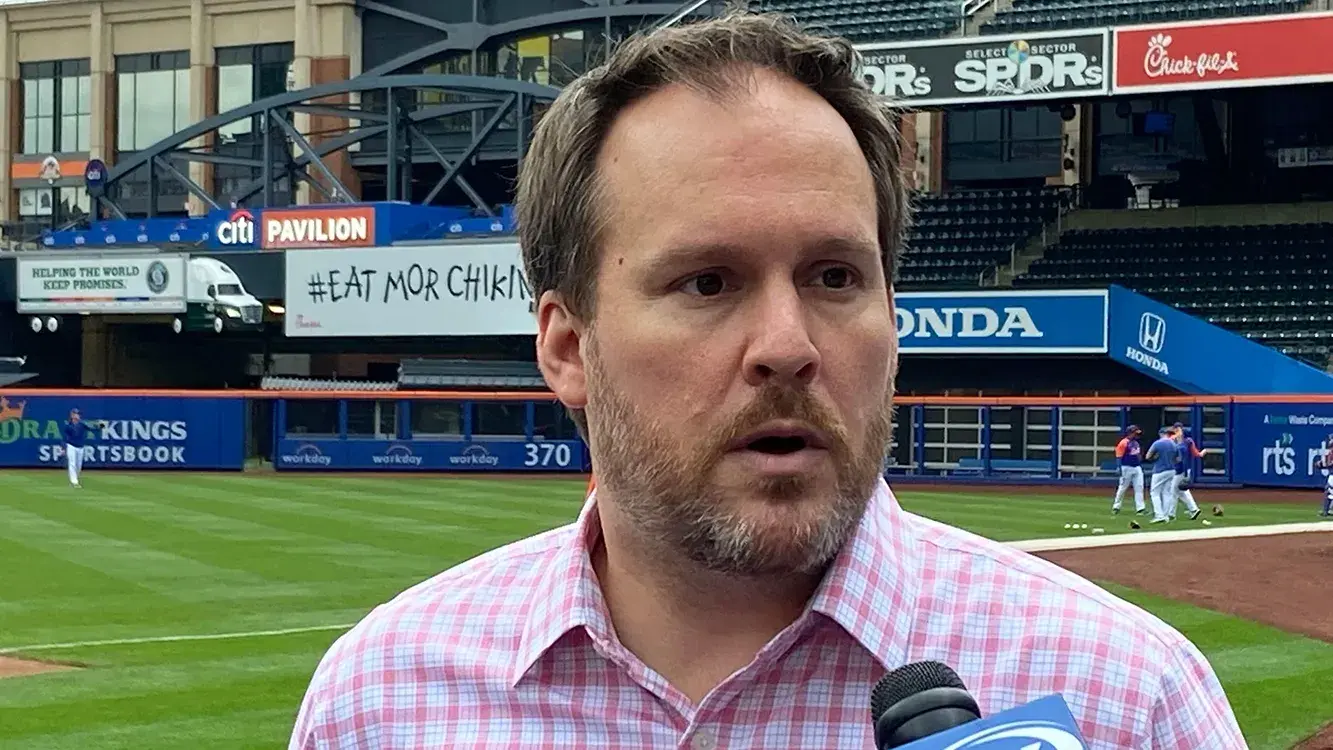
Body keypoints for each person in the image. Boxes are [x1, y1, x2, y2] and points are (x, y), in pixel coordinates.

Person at [288, 11, 1243, 749]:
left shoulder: (1126, 691)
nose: (787, 345)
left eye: (834, 277)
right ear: (567, 348)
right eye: (707, 282)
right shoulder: (382, 699)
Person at [1144, 426, 1181, 524]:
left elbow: (1148, 456)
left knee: (1155, 493)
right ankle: (1166, 516)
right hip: (1172, 470)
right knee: (1167, 493)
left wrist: (1156, 458)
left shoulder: (1158, 443)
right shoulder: (1174, 444)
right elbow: (1178, 459)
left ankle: (1159, 515)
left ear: (1161, 434)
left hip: (1159, 470)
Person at [1169, 423, 1204, 521]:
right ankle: (1194, 509)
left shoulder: (1187, 441)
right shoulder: (1174, 440)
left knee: (1173, 492)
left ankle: (1171, 514)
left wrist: (1201, 453)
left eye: (1178, 429)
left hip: (1181, 470)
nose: (1177, 431)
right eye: (1176, 429)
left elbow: (1195, 453)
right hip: (1182, 469)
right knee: (1181, 492)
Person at [1110, 424, 1145, 515]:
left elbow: (1138, 455)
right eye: (1135, 433)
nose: (1137, 435)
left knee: (1139, 487)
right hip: (1126, 467)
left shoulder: (1136, 443)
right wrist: (1119, 467)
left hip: (1137, 467)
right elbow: (1119, 456)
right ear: (1130, 433)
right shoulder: (1123, 442)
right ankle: (1116, 506)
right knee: (1122, 488)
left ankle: (1140, 508)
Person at [61, 408, 100, 488]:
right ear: (71, 415)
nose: (77, 415)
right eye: (75, 414)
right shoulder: (68, 425)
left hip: (80, 447)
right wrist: (63, 448)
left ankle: (75, 479)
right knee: (72, 463)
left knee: (78, 465)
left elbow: (91, 428)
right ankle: (74, 482)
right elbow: (64, 438)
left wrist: (99, 427)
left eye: (78, 414)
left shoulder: (82, 424)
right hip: (71, 446)